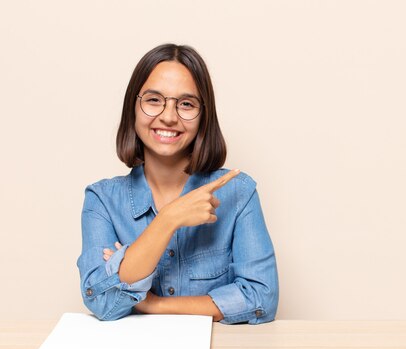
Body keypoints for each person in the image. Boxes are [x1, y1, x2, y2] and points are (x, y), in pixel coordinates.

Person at [76, 44, 279, 324]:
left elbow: (261, 299)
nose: (169, 116)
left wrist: (153, 304)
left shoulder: (238, 193)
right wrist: (169, 218)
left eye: (186, 104)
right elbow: (102, 301)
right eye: (154, 100)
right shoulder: (102, 200)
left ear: (203, 116)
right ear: (133, 108)